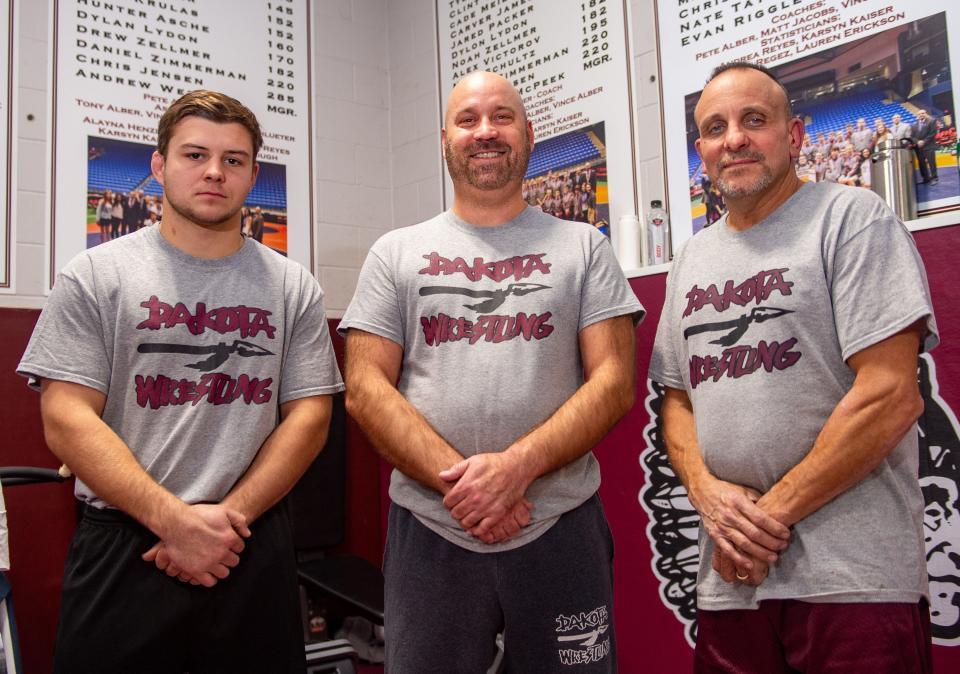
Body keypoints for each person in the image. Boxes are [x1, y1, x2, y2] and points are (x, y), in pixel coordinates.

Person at [17, 90, 344, 673]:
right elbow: (66, 417)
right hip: (127, 543)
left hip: (248, 537)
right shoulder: (96, 274)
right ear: (159, 165)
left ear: (251, 176)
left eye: (234, 160)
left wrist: (224, 524)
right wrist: (174, 521)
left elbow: (311, 417)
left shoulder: (294, 286)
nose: (215, 172)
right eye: (195, 154)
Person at [339, 70, 642, 673]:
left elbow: (613, 383)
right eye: (469, 119)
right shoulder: (395, 252)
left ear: (527, 135)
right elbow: (366, 389)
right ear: (445, 138)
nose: (486, 132)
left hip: (558, 524)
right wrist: (468, 489)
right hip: (432, 530)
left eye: (501, 117)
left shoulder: (583, 247)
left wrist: (516, 470)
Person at [649, 61, 938, 672]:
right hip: (733, 583)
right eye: (716, 127)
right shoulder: (692, 258)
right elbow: (676, 402)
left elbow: (891, 395)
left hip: (851, 579)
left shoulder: (852, 220)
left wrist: (766, 520)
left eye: (754, 120)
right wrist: (707, 495)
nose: (735, 139)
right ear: (701, 151)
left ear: (796, 135)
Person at [913, 108, 939, 185]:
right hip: (919, 148)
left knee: (931, 163)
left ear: (926, 114)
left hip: (929, 146)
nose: (921, 115)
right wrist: (917, 141)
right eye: (919, 114)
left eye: (922, 113)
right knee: (922, 164)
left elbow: (933, 133)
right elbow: (912, 136)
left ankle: (934, 178)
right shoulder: (914, 125)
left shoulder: (932, 121)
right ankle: (926, 178)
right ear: (917, 115)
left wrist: (924, 141)